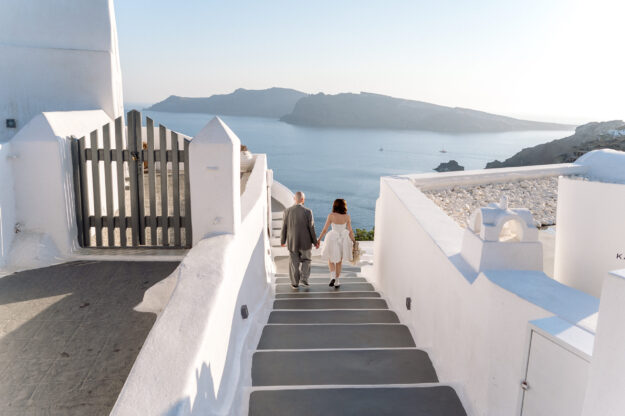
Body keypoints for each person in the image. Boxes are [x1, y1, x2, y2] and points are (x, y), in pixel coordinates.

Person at [280, 191, 319, 289]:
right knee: (307, 260)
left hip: (292, 242)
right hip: (306, 242)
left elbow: (284, 227)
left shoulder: (287, 211)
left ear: (294, 199)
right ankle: (304, 279)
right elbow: (311, 228)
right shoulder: (308, 211)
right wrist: (315, 242)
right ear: (303, 200)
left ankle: (295, 283)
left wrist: (282, 241)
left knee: (294, 263)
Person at [318, 198, 355, 288]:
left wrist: (319, 239)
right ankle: (337, 281)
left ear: (334, 205)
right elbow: (350, 231)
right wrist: (354, 241)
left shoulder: (331, 215)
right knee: (339, 261)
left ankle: (332, 276)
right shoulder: (347, 216)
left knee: (330, 259)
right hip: (343, 239)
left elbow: (325, 229)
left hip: (332, 238)